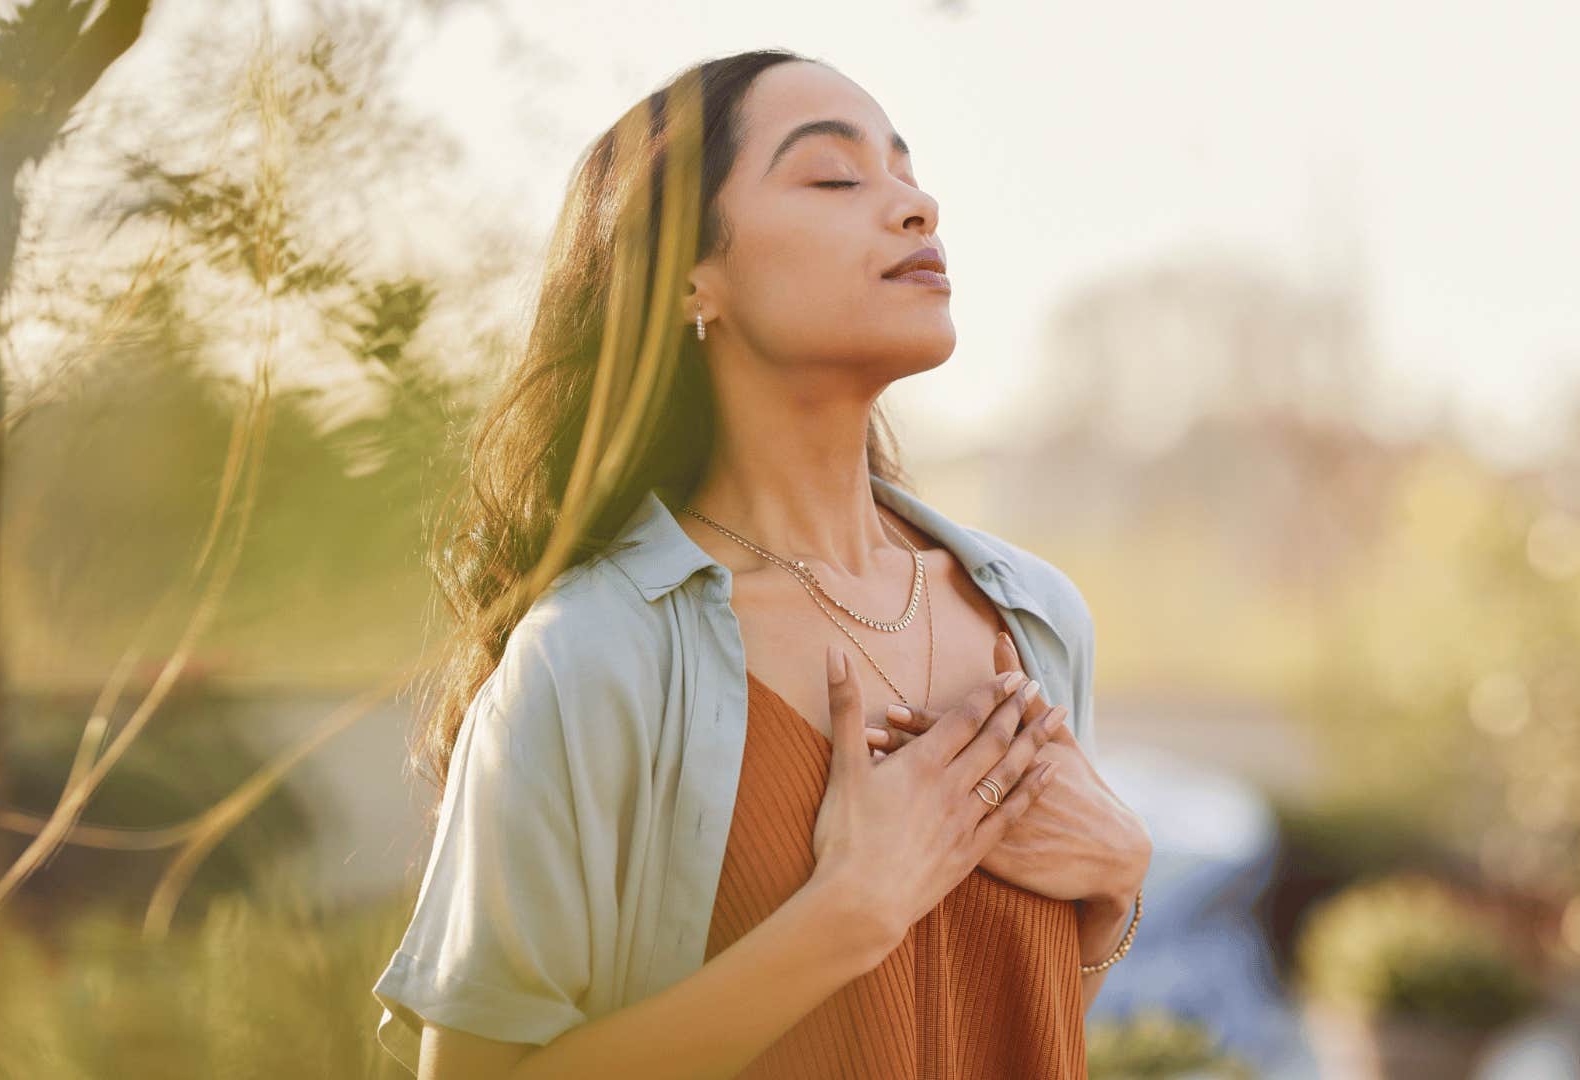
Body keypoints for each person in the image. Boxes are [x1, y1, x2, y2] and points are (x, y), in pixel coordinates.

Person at [370, 47, 1152, 1079]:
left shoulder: (1041, 619)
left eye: (909, 174)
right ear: (693, 277)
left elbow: (1006, 1016)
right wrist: (843, 917)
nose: (916, 207)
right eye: (835, 176)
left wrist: (1113, 893)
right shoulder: (592, 657)